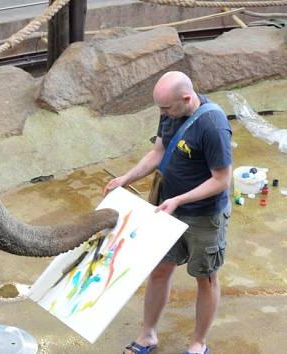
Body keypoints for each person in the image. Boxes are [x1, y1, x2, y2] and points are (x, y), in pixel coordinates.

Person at [104, 71, 232, 354]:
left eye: (166, 108)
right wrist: (126, 178)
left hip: (203, 215)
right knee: (160, 270)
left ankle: (198, 342)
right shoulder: (170, 111)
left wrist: (180, 199)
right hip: (168, 208)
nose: (162, 114)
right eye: (160, 108)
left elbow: (221, 179)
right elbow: (159, 150)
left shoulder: (213, 126)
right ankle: (147, 335)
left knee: (205, 277)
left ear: (186, 99)